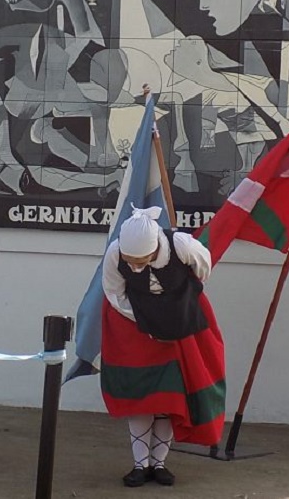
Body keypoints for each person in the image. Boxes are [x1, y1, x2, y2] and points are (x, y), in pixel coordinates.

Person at [100, 206, 225, 487]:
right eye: (130, 261)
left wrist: (178, 306)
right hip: (134, 326)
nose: (135, 267)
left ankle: (159, 463)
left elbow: (203, 266)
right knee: (142, 397)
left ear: (155, 247)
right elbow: (114, 294)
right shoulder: (114, 254)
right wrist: (149, 322)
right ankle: (139, 464)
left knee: (170, 399)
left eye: (141, 260)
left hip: (181, 325)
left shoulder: (181, 244)